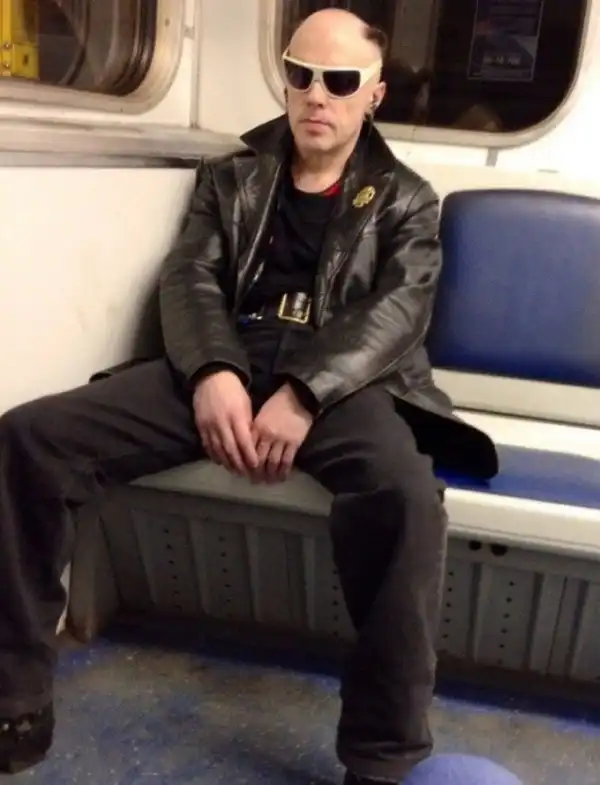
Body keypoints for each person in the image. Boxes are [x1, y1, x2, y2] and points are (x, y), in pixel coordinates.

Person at [0, 7, 498, 782]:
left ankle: (382, 751)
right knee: (29, 438)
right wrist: (211, 372)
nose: (316, 95)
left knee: (404, 497)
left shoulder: (408, 199)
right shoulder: (232, 175)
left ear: (374, 94)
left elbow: (398, 311)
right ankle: (14, 700)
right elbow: (190, 276)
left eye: (340, 81)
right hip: (228, 355)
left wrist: (304, 392)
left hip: (343, 378)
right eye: (301, 75)